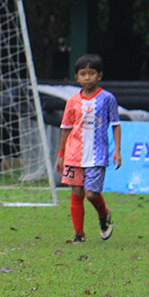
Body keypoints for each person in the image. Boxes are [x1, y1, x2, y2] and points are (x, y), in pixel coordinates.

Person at [55, 53, 122, 244]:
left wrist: (117, 149)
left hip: (97, 154)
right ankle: (79, 234)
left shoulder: (107, 98)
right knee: (77, 191)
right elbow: (66, 128)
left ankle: (104, 214)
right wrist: (61, 154)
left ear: (99, 75)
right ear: (77, 77)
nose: (87, 77)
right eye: (83, 74)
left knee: (91, 193)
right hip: (74, 153)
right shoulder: (72, 101)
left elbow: (116, 124)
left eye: (91, 73)